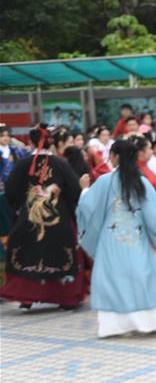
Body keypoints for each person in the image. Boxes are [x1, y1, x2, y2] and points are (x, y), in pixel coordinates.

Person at [76, 140, 156, 337]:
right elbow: (154, 216)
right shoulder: (141, 182)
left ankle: (116, 326)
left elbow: (87, 207)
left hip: (110, 240)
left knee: (112, 279)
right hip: (137, 238)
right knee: (145, 276)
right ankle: (150, 322)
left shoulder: (104, 181)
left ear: (115, 157)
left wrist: (84, 189)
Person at [1, 126, 88, 310]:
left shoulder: (23, 163)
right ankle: (65, 298)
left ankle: (28, 296)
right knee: (63, 254)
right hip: (59, 218)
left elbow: (11, 190)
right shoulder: (61, 163)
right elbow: (75, 190)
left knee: (25, 252)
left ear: (31, 141)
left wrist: (20, 207)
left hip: (29, 218)